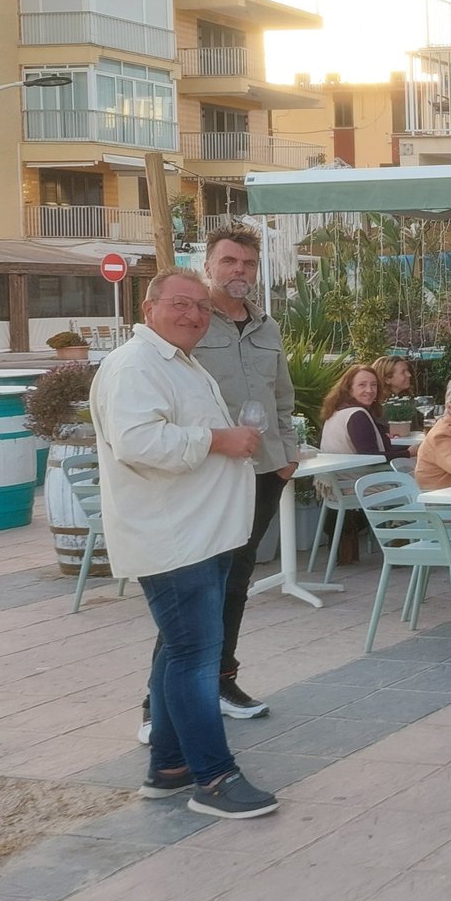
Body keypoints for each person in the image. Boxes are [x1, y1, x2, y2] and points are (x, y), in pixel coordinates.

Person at [91, 269, 277, 819]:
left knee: (180, 651)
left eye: (202, 307)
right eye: (180, 303)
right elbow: (138, 442)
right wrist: (220, 440)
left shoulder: (175, 362)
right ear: (149, 308)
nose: (194, 314)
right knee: (196, 659)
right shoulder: (135, 365)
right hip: (174, 540)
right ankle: (213, 778)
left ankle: (169, 767)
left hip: (201, 535)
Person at [171, 224, 294, 728]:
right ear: (209, 263)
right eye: (229, 261)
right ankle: (162, 705)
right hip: (208, 474)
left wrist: (287, 456)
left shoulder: (268, 328)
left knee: (238, 581)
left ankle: (222, 680)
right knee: (194, 585)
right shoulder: (193, 324)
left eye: (247, 263)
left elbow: (282, 396)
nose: (239, 271)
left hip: (263, 471)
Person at [319, 364, 408, 461]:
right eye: (362, 385)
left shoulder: (336, 411)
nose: (369, 390)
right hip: (357, 475)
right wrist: (409, 453)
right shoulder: (357, 415)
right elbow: (371, 458)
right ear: (349, 389)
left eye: (373, 385)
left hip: (336, 474)